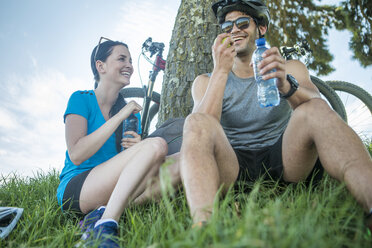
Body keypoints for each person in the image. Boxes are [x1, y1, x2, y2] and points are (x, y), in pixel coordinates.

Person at [179, 0, 372, 232]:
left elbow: (320, 110)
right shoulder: (205, 82)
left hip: (284, 159)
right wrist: (221, 70)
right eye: (227, 26)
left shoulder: (290, 67)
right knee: (196, 120)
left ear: (261, 29)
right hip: (232, 165)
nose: (234, 30)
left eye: (242, 22)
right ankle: (203, 231)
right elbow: (201, 130)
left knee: (315, 108)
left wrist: (285, 85)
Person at [56, 37, 180, 247]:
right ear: (100, 66)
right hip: (78, 188)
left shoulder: (132, 116)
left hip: (114, 186)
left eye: (130, 60)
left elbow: (128, 165)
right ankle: (105, 225)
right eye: (121, 59)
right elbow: (76, 153)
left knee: (181, 160)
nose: (129, 66)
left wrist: (137, 150)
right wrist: (120, 116)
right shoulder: (81, 99)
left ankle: (99, 214)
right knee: (156, 144)